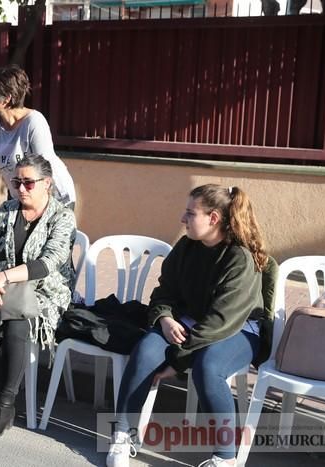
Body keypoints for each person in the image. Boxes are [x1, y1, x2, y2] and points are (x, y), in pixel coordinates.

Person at [106, 184, 270, 467]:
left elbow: (220, 322)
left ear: (213, 219)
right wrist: (165, 318)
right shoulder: (186, 247)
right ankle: (123, 434)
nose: (183, 219)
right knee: (145, 350)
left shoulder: (238, 258)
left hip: (239, 329)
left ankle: (225, 458)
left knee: (208, 368)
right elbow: (163, 292)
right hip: (189, 322)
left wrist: (178, 361)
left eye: (190, 213)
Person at [0, 154, 76, 439]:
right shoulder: (7, 210)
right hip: (3, 288)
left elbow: (49, 262)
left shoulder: (62, 216)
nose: (21, 189)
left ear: (47, 183)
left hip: (46, 293)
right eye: (16, 182)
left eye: (28, 183)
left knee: (18, 323)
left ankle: (5, 404)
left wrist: (3, 277)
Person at [0, 65, 76, 212]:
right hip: (21, 195)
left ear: (6, 99)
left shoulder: (34, 122)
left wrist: (39, 216)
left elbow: (44, 170)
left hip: (54, 196)